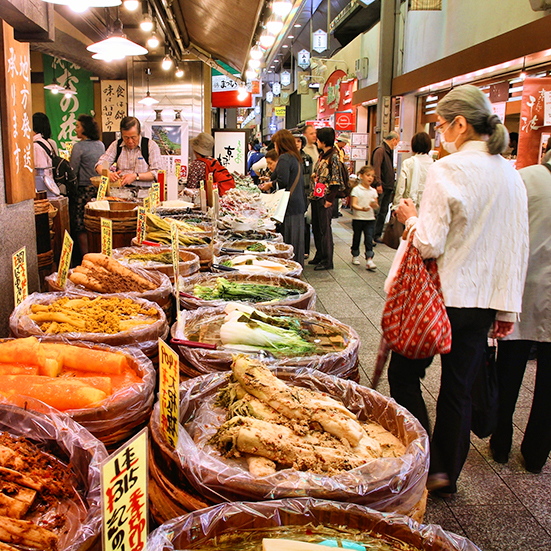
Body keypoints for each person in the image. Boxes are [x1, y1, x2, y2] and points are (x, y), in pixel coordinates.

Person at [388, 84, 529, 498]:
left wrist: (410, 218)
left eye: (441, 125)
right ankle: (445, 475)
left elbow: (429, 242)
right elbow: (515, 245)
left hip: (442, 296)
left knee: (403, 373)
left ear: (460, 124)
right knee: (458, 389)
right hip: (484, 302)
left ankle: (421, 459)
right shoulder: (511, 174)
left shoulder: (447, 169)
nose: (439, 133)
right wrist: (506, 310)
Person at [489, 162, 551, 474]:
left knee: (509, 368)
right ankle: (537, 454)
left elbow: (503, 230)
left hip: (523, 288)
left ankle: (501, 443)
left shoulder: (527, 177)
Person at [69, 114, 105, 262]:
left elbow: (73, 171)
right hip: (99, 191)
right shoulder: (101, 145)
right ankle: (98, 257)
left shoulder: (78, 147)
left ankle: (85, 259)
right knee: (96, 225)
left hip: (83, 191)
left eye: (78, 126)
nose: (76, 130)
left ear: (85, 129)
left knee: (81, 226)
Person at [309, 127, 344, 271]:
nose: (316, 141)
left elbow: (336, 180)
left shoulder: (333, 156)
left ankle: (327, 259)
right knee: (316, 228)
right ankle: (319, 254)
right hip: (317, 196)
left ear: (323, 141)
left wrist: (330, 199)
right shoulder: (322, 155)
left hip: (325, 198)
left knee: (324, 229)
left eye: (317, 139)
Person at [270, 129, 306, 266]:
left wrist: (270, 184)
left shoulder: (285, 157)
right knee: (297, 239)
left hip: (289, 205)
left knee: (290, 238)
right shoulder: (295, 157)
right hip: (298, 203)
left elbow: (282, 181)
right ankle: (297, 265)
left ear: (281, 144)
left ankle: (290, 267)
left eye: (275, 144)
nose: (275, 147)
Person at [95, 116, 162, 187]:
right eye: (126, 138)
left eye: (133, 137)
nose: (130, 141)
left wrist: (136, 176)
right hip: (121, 191)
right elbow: (101, 164)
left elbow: (157, 172)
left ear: (139, 133)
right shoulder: (116, 145)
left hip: (146, 191)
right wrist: (108, 173)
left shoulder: (150, 146)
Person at [392, 132, 434, 210]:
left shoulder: (408, 163)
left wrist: (396, 205)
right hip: (428, 205)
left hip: (410, 205)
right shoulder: (434, 164)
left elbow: (401, 186)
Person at [372, 131, 399, 242]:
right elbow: (376, 167)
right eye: (397, 141)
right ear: (393, 140)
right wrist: (378, 183)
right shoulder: (381, 150)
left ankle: (377, 235)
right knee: (377, 212)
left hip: (387, 186)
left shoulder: (388, 151)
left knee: (383, 212)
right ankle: (372, 236)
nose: (396, 144)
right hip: (382, 186)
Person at [350, 165, 378, 270]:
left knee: (369, 238)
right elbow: (354, 204)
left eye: (372, 176)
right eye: (368, 175)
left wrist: (374, 205)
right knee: (357, 237)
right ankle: (355, 254)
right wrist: (362, 208)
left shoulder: (373, 191)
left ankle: (369, 259)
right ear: (361, 176)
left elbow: (376, 206)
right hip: (358, 218)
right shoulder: (356, 190)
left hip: (370, 219)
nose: (370, 178)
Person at [294, 133, 314, 259]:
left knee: (305, 222)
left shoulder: (307, 158)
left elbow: (308, 176)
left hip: (304, 194)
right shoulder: (287, 157)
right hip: (292, 195)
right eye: (294, 141)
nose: (297, 143)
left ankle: (305, 250)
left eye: (299, 141)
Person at [32, 112, 57, 181]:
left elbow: (41, 172)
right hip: (51, 182)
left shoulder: (36, 146)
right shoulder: (48, 143)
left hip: (45, 184)